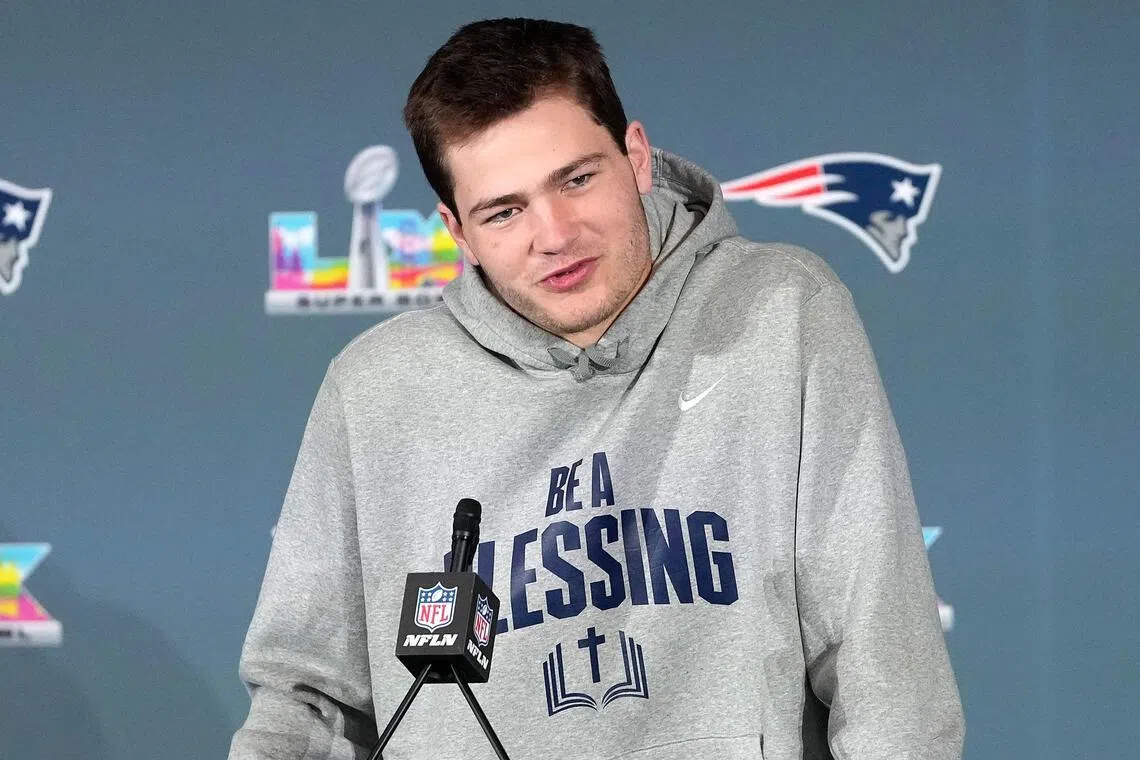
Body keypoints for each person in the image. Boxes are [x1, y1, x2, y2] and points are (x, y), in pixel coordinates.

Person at [229, 17, 964, 760]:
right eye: (504, 211)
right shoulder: (377, 392)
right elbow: (306, 703)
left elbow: (885, 667)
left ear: (636, 156)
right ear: (457, 229)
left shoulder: (780, 313)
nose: (554, 234)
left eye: (576, 179)